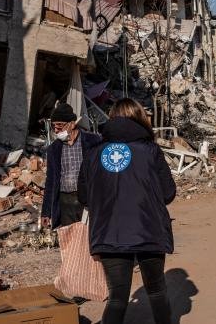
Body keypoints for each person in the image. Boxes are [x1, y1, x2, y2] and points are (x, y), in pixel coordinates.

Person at [78, 98, 176, 324]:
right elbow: (168, 193)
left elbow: (84, 197)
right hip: (149, 230)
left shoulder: (93, 153)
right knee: (157, 292)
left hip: (109, 233)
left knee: (117, 298)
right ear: (140, 118)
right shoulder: (151, 151)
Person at [41, 103, 101, 229]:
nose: (56, 130)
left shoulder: (93, 142)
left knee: (89, 236)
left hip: (87, 200)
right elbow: (51, 181)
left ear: (72, 124)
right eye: (53, 126)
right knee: (70, 240)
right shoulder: (54, 149)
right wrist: (46, 212)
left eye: (60, 126)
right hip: (65, 202)